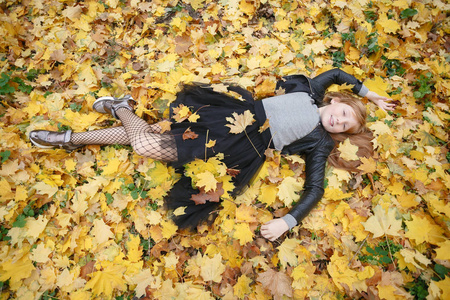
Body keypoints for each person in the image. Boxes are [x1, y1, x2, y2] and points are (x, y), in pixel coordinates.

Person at [29, 68, 394, 241]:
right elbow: (333, 72)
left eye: (343, 126)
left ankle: (109, 116)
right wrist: (369, 94)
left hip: (238, 148)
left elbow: (314, 188)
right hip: (229, 116)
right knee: (149, 139)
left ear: (338, 134)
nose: (338, 120)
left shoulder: (318, 141)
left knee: (142, 142)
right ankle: (76, 135)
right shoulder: (311, 93)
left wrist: (290, 220)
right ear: (336, 101)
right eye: (343, 112)